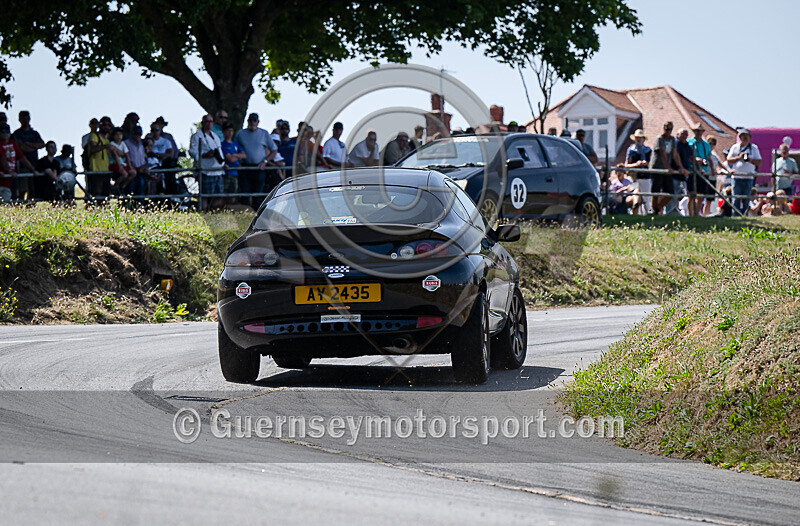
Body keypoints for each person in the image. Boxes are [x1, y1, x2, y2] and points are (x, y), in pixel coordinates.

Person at [236, 113, 279, 206]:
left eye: (254, 120)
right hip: (245, 168)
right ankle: (244, 214)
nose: (252, 122)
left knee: (258, 194)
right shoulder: (240, 134)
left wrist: (265, 161)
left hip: (259, 168)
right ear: (247, 121)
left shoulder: (264, 133)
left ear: (258, 122)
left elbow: (274, 149)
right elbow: (234, 148)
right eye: (250, 120)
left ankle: (257, 216)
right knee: (244, 193)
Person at [189, 114, 225, 210]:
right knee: (204, 196)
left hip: (217, 169)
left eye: (211, 121)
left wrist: (223, 163)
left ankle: (213, 213)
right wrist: (205, 155)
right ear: (202, 123)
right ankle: (204, 214)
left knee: (219, 196)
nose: (209, 124)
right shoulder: (197, 136)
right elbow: (192, 152)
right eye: (207, 121)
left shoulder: (215, 136)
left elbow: (220, 151)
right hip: (206, 170)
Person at [650, 121, 686, 214]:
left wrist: (680, 167)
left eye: (670, 129)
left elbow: (675, 154)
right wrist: (668, 168)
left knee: (670, 192)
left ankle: (657, 209)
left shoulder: (672, 139)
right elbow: (662, 153)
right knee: (656, 192)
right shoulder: (659, 139)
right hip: (657, 168)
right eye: (666, 129)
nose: (668, 131)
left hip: (667, 170)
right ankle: (654, 210)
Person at [0, 123, 39, 203]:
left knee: (6, 203)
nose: (5, 134)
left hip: (8, 182)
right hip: (2, 178)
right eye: (3, 132)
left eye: (7, 132)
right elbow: (2, 159)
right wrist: (10, 171)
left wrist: (32, 169)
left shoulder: (12, 144)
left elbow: (22, 158)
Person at [727, 128, 761, 215]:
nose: (744, 138)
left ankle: (745, 215)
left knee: (747, 199)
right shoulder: (735, 147)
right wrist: (739, 158)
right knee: (736, 198)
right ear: (740, 137)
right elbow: (729, 160)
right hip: (737, 177)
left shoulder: (754, 148)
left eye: (746, 136)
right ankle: (735, 217)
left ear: (750, 137)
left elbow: (759, 162)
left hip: (748, 177)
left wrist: (750, 160)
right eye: (742, 136)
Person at [12, 110, 45, 200]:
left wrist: (28, 144)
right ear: (19, 119)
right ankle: (21, 205)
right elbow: (19, 147)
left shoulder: (34, 133)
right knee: (22, 188)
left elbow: (42, 144)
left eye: (27, 118)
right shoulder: (17, 133)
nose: (25, 120)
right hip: (22, 166)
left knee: (32, 189)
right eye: (23, 118)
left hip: (34, 164)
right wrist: (33, 146)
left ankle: (30, 206)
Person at [687, 123, 715, 216]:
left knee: (701, 195)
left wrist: (712, 169)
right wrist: (695, 160)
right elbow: (687, 156)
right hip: (692, 170)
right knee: (691, 195)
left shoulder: (705, 144)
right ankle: (690, 214)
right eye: (696, 131)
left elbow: (709, 158)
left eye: (700, 131)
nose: (698, 132)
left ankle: (696, 213)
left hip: (703, 172)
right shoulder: (689, 142)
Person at [624, 129, 652, 214]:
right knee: (636, 197)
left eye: (640, 138)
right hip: (635, 178)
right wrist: (636, 164)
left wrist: (646, 164)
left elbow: (652, 165)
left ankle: (647, 215)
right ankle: (635, 215)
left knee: (646, 199)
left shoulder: (648, 150)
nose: (639, 139)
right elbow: (626, 165)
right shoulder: (631, 150)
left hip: (646, 177)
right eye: (637, 138)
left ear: (644, 139)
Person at [86, 116, 113, 201]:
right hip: (95, 171)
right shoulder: (94, 136)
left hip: (106, 171)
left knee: (105, 195)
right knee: (96, 194)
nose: (106, 127)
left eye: (109, 125)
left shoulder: (107, 140)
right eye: (104, 124)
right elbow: (93, 149)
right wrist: (105, 146)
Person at [221, 122, 245, 204]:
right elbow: (229, 159)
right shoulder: (222, 145)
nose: (230, 133)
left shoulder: (235, 143)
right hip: (226, 173)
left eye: (231, 131)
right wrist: (238, 156)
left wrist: (235, 155)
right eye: (227, 131)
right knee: (224, 194)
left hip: (235, 173)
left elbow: (244, 155)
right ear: (223, 132)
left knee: (233, 194)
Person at [147, 122, 174, 194]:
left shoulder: (166, 141)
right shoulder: (148, 141)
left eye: (157, 129)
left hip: (162, 164)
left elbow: (170, 154)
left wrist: (159, 156)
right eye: (153, 130)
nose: (155, 132)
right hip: (150, 165)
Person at [674, 129, 695, 215]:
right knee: (674, 193)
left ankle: (690, 214)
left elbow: (691, 157)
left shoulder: (687, 145)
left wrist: (695, 167)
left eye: (686, 134)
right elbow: (676, 156)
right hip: (676, 172)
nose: (684, 136)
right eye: (682, 134)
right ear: (678, 134)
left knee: (685, 194)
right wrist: (681, 168)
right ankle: (671, 211)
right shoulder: (676, 144)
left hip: (685, 173)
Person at [108, 127, 137, 192]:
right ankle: (115, 186)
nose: (118, 136)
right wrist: (120, 167)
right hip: (114, 163)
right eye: (116, 134)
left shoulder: (123, 144)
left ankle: (123, 186)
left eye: (120, 134)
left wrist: (130, 166)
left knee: (133, 172)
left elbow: (127, 155)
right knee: (125, 174)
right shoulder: (112, 144)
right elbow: (115, 155)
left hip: (122, 163)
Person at [124, 126, 148, 197]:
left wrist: (144, 167)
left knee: (141, 193)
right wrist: (133, 167)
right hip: (130, 173)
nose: (138, 135)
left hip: (140, 173)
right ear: (132, 134)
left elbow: (142, 159)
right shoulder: (126, 143)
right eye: (136, 133)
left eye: (140, 134)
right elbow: (123, 159)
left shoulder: (141, 144)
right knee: (130, 193)